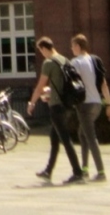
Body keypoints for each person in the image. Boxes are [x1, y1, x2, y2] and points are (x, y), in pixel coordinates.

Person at [26, 37, 84, 184]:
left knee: (65, 139)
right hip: (67, 105)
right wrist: (50, 93)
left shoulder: (49, 63)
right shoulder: (64, 60)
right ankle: (48, 171)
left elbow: (40, 86)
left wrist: (32, 102)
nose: (41, 54)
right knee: (54, 138)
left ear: (44, 48)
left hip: (57, 106)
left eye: (40, 51)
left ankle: (77, 172)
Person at [69, 33, 110, 181]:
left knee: (90, 137)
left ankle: (101, 172)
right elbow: (104, 84)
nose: (71, 49)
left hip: (84, 104)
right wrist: (109, 104)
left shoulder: (75, 62)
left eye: (72, 46)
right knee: (82, 134)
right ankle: (85, 169)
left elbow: (69, 84)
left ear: (77, 46)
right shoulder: (95, 60)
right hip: (97, 104)